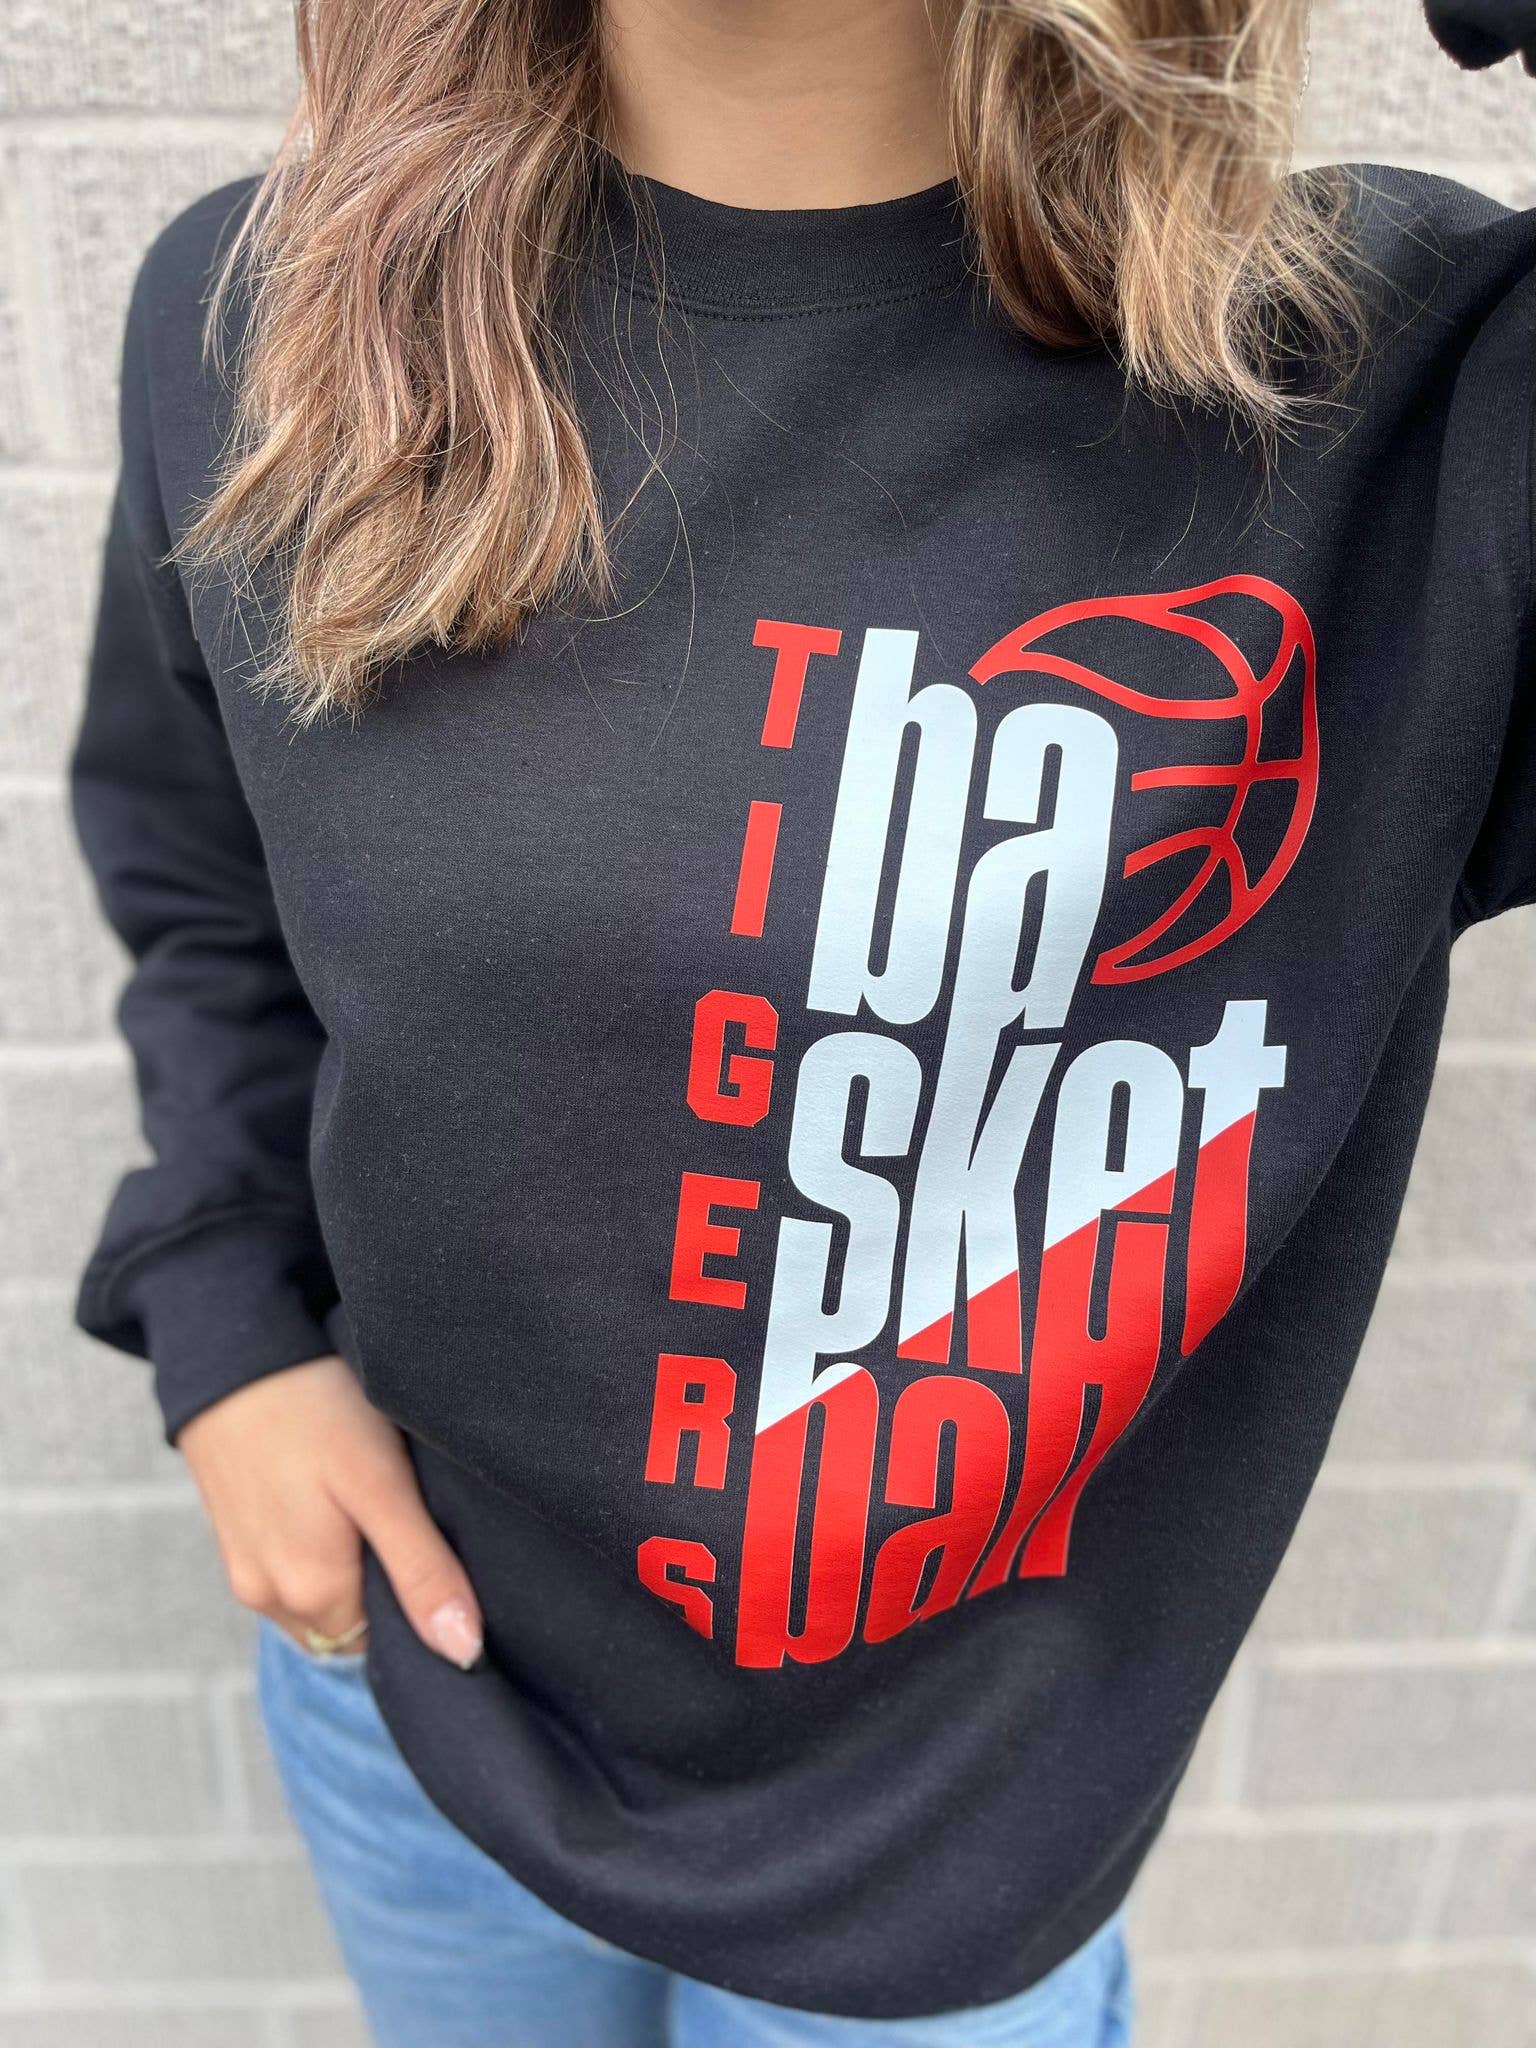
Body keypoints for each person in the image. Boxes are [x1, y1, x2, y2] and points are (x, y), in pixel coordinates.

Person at [67, 1, 1535, 2042]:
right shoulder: (260, 319)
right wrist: (229, 1322)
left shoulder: (1398, 402)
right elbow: (202, 869)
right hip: (418, 1704)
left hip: (945, 1875)